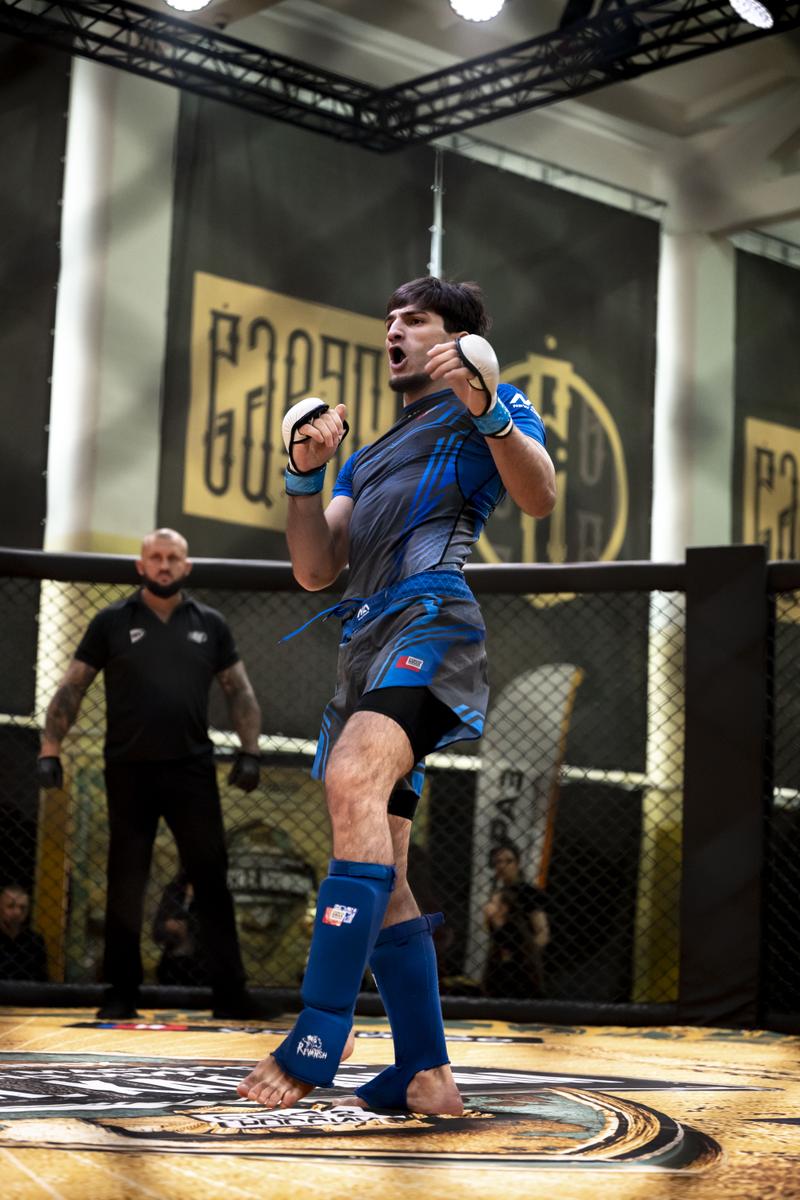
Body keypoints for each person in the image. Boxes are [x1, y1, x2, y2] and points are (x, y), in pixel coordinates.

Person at [237, 276, 556, 1114]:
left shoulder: (491, 405)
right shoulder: (370, 454)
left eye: (413, 319)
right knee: (384, 862)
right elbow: (317, 569)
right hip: (362, 646)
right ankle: (426, 1071)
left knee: (352, 780)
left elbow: (539, 496)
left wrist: (485, 402)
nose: (393, 330)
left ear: (456, 339)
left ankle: (321, 1031)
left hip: (431, 620)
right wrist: (304, 474)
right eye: (388, 319)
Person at [36, 528, 278, 1021]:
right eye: (156, 557)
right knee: (126, 880)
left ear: (186, 566)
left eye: (173, 558)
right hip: (129, 770)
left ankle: (230, 994)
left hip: (191, 769)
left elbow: (239, 690)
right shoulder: (111, 621)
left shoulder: (210, 624)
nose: (164, 565)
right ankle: (120, 992)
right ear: (141, 566)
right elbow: (72, 687)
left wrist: (250, 750)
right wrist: (50, 748)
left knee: (211, 879)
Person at [482, 843, 549, 999]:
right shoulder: (496, 894)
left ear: (518, 864)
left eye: (509, 861)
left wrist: (526, 957)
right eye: (498, 861)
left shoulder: (528, 893)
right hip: (499, 965)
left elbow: (542, 933)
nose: (502, 866)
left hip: (523, 965)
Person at [152, 868, 210, 988]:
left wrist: (187, 926)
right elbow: (157, 931)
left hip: (200, 965)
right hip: (172, 962)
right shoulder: (173, 890)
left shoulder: (212, 893)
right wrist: (168, 926)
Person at [0, 882, 49, 981]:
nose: (17, 912)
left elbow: (41, 980)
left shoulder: (35, 941)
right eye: (11, 906)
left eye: (22, 908)